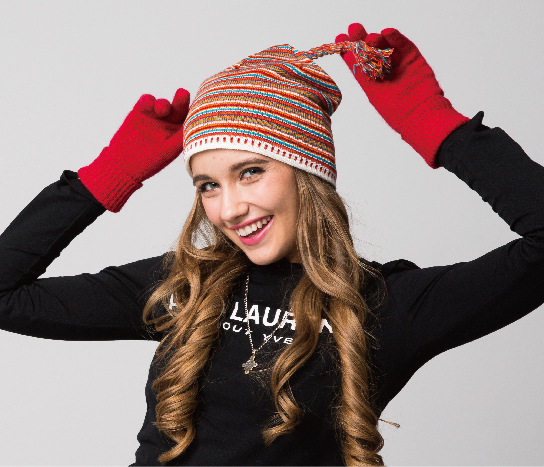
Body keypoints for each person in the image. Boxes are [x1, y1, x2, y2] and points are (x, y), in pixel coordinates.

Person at [1, 21, 543, 466]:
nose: (229, 209)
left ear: (307, 173)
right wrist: (107, 176)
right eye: (208, 185)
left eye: (251, 172)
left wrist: (435, 126)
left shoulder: (384, 305)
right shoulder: (182, 285)